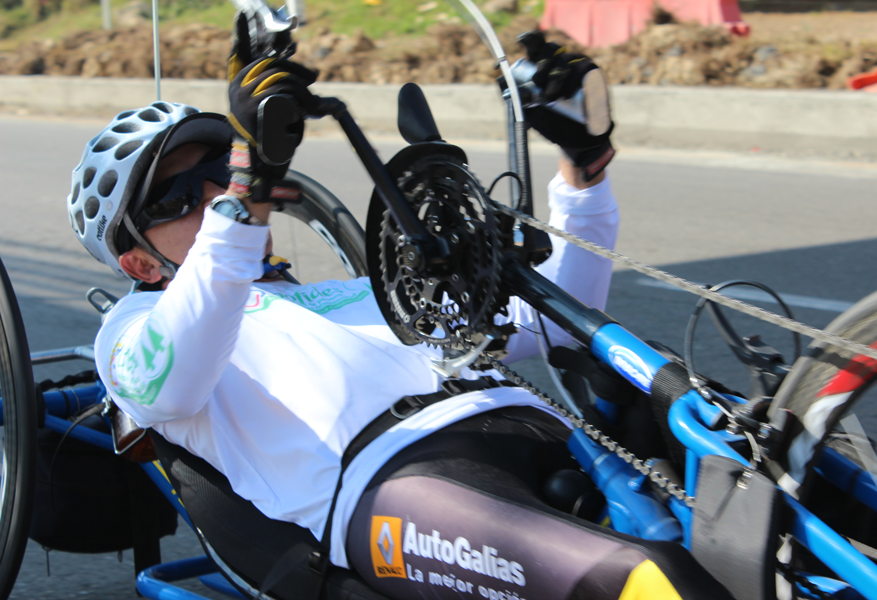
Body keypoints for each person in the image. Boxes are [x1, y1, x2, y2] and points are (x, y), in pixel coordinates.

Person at [66, 32, 729, 600]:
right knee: (645, 581)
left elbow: (548, 319)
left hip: (537, 431)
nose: (214, 193)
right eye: (177, 197)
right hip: (397, 483)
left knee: (760, 494)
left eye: (219, 167)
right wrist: (247, 189)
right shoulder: (132, 332)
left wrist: (585, 169)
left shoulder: (352, 294)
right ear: (139, 263)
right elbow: (176, 372)